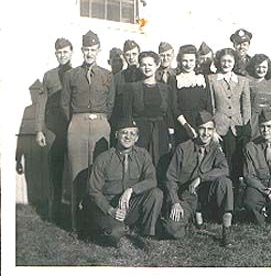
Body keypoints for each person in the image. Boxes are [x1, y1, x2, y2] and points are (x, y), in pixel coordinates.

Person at [61, 30, 115, 233]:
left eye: (93, 49)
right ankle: (77, 225)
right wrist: (77, 121)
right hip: (77, 125)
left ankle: (97, 223)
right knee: (77, 174)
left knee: (99, 174)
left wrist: (100, 120)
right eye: (86, 49)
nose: (89, 53)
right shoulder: (71, 75)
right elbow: (64, 104)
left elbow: (111, 104)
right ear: (82, 50)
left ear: (99, 50)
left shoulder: (107, 76)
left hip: (101, 124)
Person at [86, 117, 163, 248]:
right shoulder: (104, 159)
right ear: (116, 135)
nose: (128, 137)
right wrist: (110, 210)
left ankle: (147, 234)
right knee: (113, 235)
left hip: (130, 205)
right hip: (109, 206)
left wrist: (131, 190)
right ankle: (116, 228)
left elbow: (152, 180)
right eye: (124, 133)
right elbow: (93, 191)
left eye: (132, 133)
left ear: (137, 138)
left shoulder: (143, 155)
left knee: (156, 193)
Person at [162, 111, 234, 247]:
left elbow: (225, 169)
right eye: (202, 129)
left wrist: (201, 178)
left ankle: (226, 230)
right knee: (172, 229)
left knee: (225, 182)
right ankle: (190, 219)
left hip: (206, 196)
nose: (206, 133)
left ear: (213, 131)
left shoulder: (215, 148)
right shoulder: (183, 148)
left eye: (209, 129)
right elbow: (170, 178)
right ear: (196, 129)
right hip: (186, 197)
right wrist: (175, 202)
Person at [35, 37, 73, 222]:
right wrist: (39, 130)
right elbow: (41, 103)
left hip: (72, 126)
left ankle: (76, 211)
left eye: (65, 51)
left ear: (71, 52)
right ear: (55, 54)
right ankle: (54, 212)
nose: (62, 55)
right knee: (54, 169)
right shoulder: (48, 76)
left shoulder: (77, 73)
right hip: (52, 127)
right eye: (59, 52)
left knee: (75, 169)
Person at [122, 51, 174, 171]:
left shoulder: (165, 89)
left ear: (157, 65)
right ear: (139, 67)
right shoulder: (131, 88)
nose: (147, 68)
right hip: (140, 133)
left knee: (161, 165)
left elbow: (168, 115)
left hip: (161, 132)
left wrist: (171, 138)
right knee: (140, 165)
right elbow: (127, 115)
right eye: (143, 65)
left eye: (150, 64)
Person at [208, 48, 251, 191]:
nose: (226, 64)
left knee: (237, 164)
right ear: (219, 62)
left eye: (230, 61)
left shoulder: (243, 80)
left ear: (235, 63)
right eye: (224, 61)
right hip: (220, 128)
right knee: (222, 163)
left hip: (237, 128)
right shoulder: (212, 79)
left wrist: (244, 127)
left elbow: (246, 106)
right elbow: (211, 107)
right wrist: (212, 130)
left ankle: (236, 201)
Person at [169, 44, 212, 145]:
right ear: (179, 61)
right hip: (182, 126)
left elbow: (208, 105)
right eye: (185, 61)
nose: (188, 64)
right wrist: (187, 127)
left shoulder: (203, 78)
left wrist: (206, 127)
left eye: (191, 60)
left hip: (202, 125)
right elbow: (174, 107)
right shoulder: (174, 80)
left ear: (196, 60)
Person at [110, 40, 144, 147]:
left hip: (142, 122)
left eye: (134, 54)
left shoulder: (145, 75)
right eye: (128, 55)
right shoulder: (117, 78)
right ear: (124, 56)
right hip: (123, 124)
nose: (131, 58)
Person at [245, 54, 271, 140]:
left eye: (264, 67)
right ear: (253, 67)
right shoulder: (247, 81)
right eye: (258, 67)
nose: (261, 70)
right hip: (253, 119)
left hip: (268, 118)